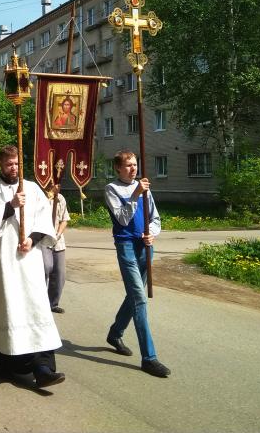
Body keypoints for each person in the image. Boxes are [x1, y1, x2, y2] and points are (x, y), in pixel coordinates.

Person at [0, 145, 65, 388]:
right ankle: (7, 363)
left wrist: (32, 239)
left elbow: (44, 220)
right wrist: (10, 205)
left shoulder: (32, 188)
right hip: (2, 266)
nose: (14, 168)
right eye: (9, 163)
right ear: (0, 164)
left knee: (36, 308)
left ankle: (43, 368)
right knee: (7, 310)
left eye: (17, 163)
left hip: (29, 262)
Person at [104, 150, 170, 378]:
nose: (133, 169)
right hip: (127, 247)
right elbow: (123, 219)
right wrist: (135, 194)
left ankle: (115, 333)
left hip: (145, 247)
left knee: (134, 295)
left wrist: (152, 233)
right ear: (118, 168)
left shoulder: (145, 188)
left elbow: (155, 218)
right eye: (128, 165)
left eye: (135, 164)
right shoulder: (112, 189)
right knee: (139, 299)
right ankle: (149, 358)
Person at [42, 185, 70, 314]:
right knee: (45, 269)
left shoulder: (61, 198)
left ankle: (53, 303)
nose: (58, 185)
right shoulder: (39, 196)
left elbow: (65, 219)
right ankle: (40, 303)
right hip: (42, 241)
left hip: (58, 241)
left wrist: (58, 234)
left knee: (60, 274)